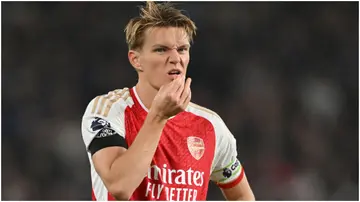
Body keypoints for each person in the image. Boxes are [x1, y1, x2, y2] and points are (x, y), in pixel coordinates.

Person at [81, 1, 255, 201]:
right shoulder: (108, 110)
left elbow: (242, 195)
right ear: (136, 60)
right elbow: (120, 186)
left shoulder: (210, 126)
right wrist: (158, 116)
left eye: (182, 49)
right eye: (161, 50)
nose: (175, 58)